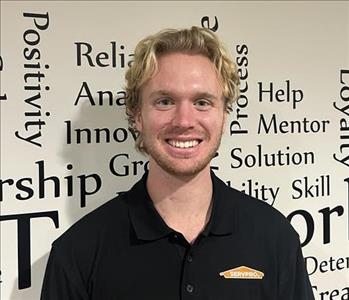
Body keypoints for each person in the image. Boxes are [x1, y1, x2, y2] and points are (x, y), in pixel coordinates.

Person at [41, 26, 314, 299]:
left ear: (224, 115)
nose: (184, 121)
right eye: (164, 101)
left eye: (202, 102)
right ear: (137, 116)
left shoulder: (275, 237)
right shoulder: (77, 253)